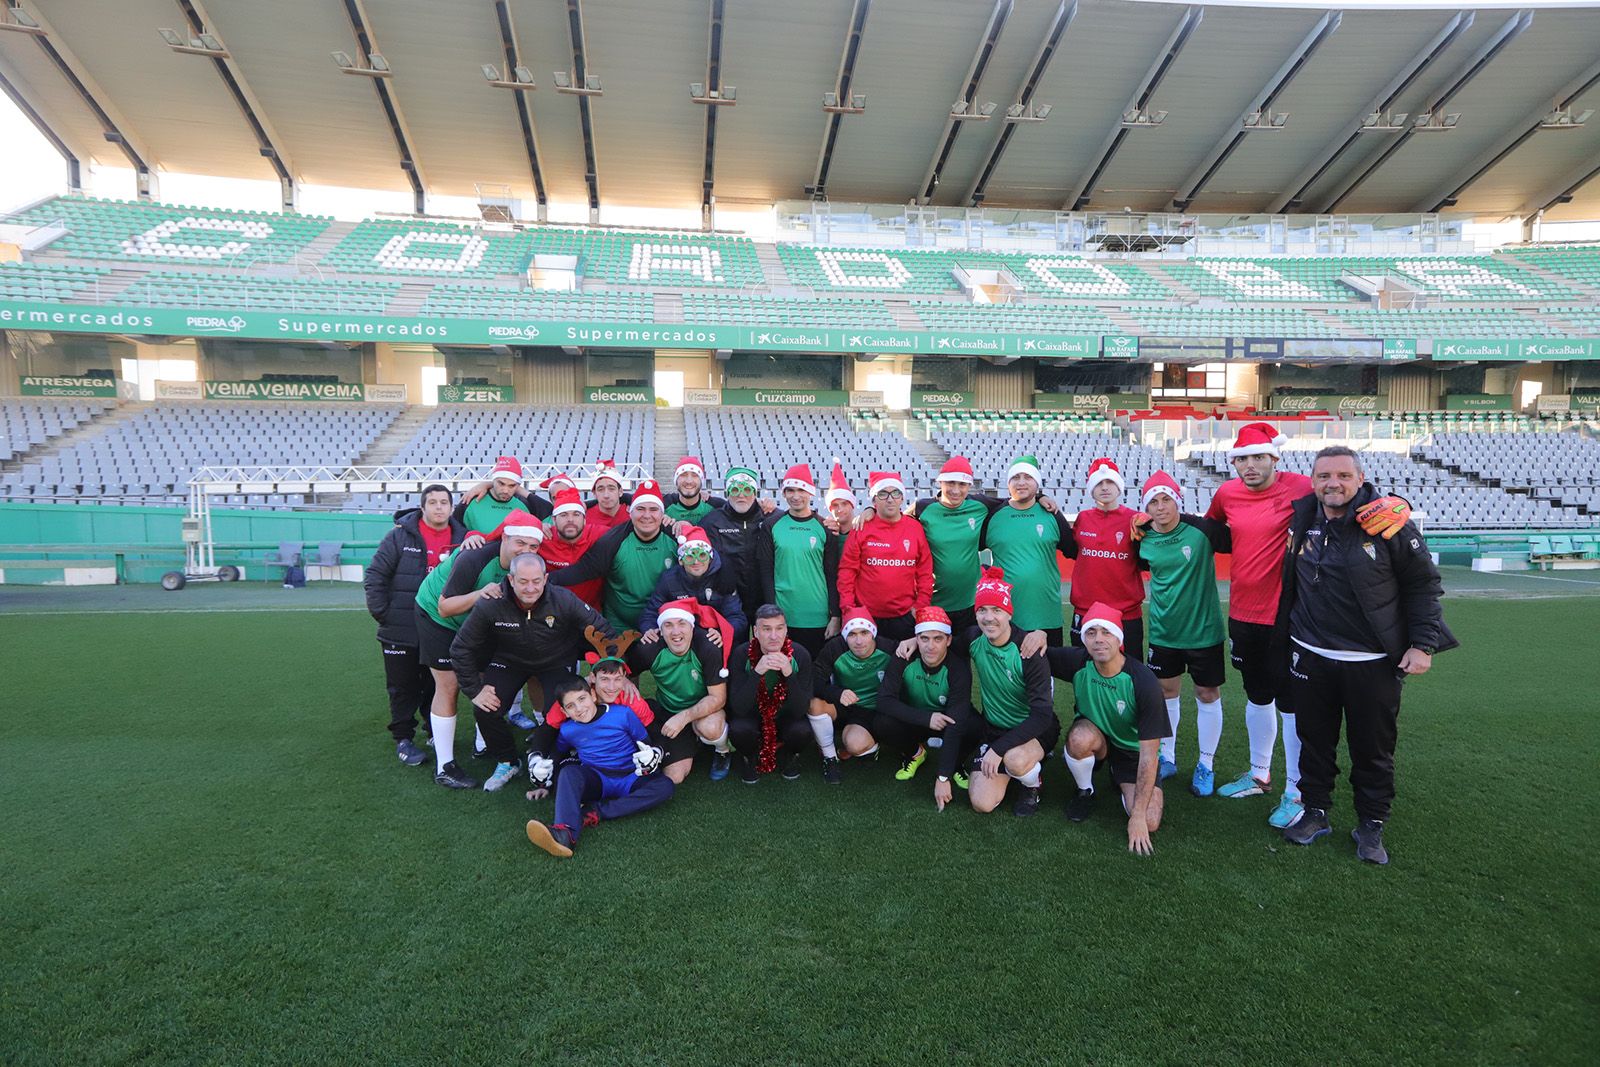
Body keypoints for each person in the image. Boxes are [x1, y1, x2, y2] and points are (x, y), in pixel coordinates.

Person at [1200, 422, 1410, 830]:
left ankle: (1296, 790)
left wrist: (1394, 501)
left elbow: (1353, 496)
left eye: (1258, 457)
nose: (1250, 465)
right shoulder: (1226, 493)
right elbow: (1214, 528)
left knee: (1293, 705)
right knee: (1256, 696)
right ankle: (1259, 773)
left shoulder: (1301, 487)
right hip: (1243, 612)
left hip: (1289, 615)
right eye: (1242, 458)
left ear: (1274, 458)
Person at [1279, 446, 1455, 865]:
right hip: (1310, 654)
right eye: (1324, 476)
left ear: (1360, 479)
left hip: (1372, 661)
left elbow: (1424, 586)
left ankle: (1371, 823)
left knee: (1372, 749)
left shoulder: (1389, 523)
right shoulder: (1304, 516)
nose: (1332, 484)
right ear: (1313, 481)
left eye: (1342, 475)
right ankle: (1316, 812)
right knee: (1314, 743)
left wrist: (1422, 644)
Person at [450, 552, 618, 793]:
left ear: (546, 578)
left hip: (556, 661)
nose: (530, 588)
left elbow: (604, 631)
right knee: (486, 707)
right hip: (509, 660)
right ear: (511, 579)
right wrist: (474, 690)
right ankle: (508, 761)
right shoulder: (491, 603)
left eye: (536, 581)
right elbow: (461, 647)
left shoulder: (563, 599)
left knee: (561, 709)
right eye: (523, 581)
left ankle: (554, 758)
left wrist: (603, 672)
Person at [413, 516, 545, 789]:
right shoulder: (474, 557)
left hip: (477, 622)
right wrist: (480, 594)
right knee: (449, 685)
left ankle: (483, 743)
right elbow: (445, 607)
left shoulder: (526, 567)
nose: (526, 551)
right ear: (505, 538)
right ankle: (445, 766)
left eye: (533, 546)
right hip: (438, 618)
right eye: (520, 542)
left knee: (487, 678)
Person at [1131, 471, 1230, 794]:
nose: (1161, 507)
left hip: (1204, 632)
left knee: (1207, 694)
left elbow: (1238, 536)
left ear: (1178, 500)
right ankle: (1168, 758)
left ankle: (1206, 764)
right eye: (1153, 502)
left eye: (1166, 499)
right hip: (1163, 633)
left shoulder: (1201, 530)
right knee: (1165, 693)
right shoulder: (1143, 539)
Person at [1048, 604, 1170, 855]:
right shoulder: (1079, 661)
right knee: (1079, 738)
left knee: (1149, 820)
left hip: (1132, 753)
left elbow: (1149, 755)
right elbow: (1034, 651)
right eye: (1091, 633)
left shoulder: (1143, 682)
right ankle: (1085, 790)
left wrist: (1136, 816)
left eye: (1106, 632)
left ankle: (1119, 776)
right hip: (1098, 740)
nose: (1099, 639)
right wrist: (1036, 636)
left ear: (1119, 638)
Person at [935, 568, 1056, 817]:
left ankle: (1032, 784)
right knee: (982, 802)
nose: (989, 618)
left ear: (1009, 613)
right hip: (994, 729)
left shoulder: (1028, 649)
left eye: (997, 610)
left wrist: (999, 749)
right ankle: (1015, 768)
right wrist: (915, 641)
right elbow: (942, 646)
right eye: (982, 610)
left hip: (1034, 730)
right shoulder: (973, 638)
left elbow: (1042, 716)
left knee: (1015, 760)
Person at [363, 484, 464, 766]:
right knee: (403, 685)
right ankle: (404, 739)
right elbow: (375, 576)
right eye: (433, 502)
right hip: (401, 626)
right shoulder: (398, 537)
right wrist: (384, 613)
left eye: (444, 502)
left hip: (441, 625)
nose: (439, 507)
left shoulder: (464, 537)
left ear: (451, 507)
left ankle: (433, 729)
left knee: (438, 682)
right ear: (423, 507)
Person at [523, 678, 674, 859]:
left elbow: (646, 742)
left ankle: (595, 811)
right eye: (570, 706)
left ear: (593, 695)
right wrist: (543, 783)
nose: (579, 708)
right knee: (569, 773)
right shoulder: (567, 730)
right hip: (598, 779)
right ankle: (564, 833)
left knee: (665, 786)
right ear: (564, 711)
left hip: (631, 776)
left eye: (582, 699)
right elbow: (557, 754)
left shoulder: (622, 714)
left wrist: (652, 754)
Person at [624, 598, 733, 783]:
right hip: (668, 710)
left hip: (704, 712)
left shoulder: (707, 647)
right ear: (660, 630)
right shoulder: (649, 649)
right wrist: (628, 683)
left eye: (682, 624)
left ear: (692, 627)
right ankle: (693, 743)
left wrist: (683, 718)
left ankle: (722, 751)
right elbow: (628, 670)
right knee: (674, 777)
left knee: (710, 728)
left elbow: (718, 698)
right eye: (668, 625)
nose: (676, 632)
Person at [549, 479, 678, 632]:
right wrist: (545, 579)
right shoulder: (614, 538)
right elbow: (586, 569)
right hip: (617, 622)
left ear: (663, 513)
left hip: (662, 619)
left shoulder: (676, 535)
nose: (646, 515)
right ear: (630, 512)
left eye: (653, 509)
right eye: (641, 509)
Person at [979, 453, 1077, 646]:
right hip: (1004, 615)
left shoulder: (1052, 515)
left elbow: (1074, 551)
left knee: (1046, 673)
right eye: (1015, 477)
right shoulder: (993, 516)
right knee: (1008, 672)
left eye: (1028, 477)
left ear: (1037, 482)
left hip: (1046, 615)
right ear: (1008, 483)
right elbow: (968, 549)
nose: (1021, 483)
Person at [876, 606, 974, 784]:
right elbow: (883, 700)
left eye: (938, 639)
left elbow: (956, 719)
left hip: (946, 719)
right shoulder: (903, 656)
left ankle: (956, 764)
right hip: (916, 719)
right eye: (924, 639)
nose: (931, 646)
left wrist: (943, 776)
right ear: (916, 639)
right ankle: (915, 753)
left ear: (949, 640)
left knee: (974, 725)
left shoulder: (958, 667)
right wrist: (925, 718)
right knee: (883, 722)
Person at [754, 463, 841, 657]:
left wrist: (835, 615)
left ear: (811, 493)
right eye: (790, 490)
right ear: (783, 494)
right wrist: (771, 612)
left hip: (817, 616)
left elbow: (832, 573)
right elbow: (766, 572)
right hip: (784, 615)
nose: (795, 496)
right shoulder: (771, 525)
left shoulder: (825, 527)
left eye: (801, 490)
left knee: (814, 672)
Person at [726, 603, 818, 784]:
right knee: (739, 730)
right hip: (752, 714)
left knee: (802, 731)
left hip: (786, 714)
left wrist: (789, 674)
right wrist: (757, 672)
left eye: (779, 628)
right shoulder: (741, 654)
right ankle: (749, 757)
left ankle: (790, 754)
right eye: (766, 629)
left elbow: (801, 709)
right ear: (756, 631)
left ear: (786, 630)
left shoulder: (800, 655)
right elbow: (738, 707)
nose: (774, 636)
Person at [837, 470, 933, 642]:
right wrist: (848, 608)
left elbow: (925, 571)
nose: (890, 499)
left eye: (895, 493)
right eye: (883, 494)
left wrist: (920, 606)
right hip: (866, 616)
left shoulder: (914, 528)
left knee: (901, 664)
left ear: (902, 498)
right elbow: (847, 571)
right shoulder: (861, 527)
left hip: (904, 616)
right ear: (873, 500)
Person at [808, 607, 901, 784]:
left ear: (873, 633)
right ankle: (830, 757)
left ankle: (871, 745)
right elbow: (814, 679)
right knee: (814, 704)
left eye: (864, 632)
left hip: (873, 711)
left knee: (854, 744)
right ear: (845, 636)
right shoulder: (835, 647)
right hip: (844, 705)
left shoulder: (889, 648)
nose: (858, 641)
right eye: (852, 634)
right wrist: (837, 692)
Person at [1068, 458, 1146, 659]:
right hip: (1086, 612)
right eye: (1098, 484)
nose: (1104, 487)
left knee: (1129, 676)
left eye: (1110, 482)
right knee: (1085, 673)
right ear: (1091, 490)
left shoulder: (1136, 520)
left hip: (1126, 614)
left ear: (1119, 487)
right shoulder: (1083, 518)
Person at [640, 524, 747, 644]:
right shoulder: (669, 579)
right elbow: (651, 612)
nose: (696, 562)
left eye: (702, 555)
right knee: (646, 647)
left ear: (710, 558)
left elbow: (737, 617)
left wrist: (722, 632)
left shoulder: (724, 577)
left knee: (711, 645)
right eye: (690, 557)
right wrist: (650, 629)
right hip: (677, 635)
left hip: (712, 636)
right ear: (681, 560)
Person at [702, 465, 766, 619]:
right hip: (728, 596)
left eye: (747, 490)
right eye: (735, 490)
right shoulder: (712, 521)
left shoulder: (769, 519)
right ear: (727, 493)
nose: (741, 495)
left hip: (763, 594)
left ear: (755, 493)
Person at [538, 486, 605, 611]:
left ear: (585, 520)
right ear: (554, 519)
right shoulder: (542, 538)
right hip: (551, 613)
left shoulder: (599, 534)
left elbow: (631, 527)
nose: (570, 519)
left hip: (591, 614)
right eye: (563, 515)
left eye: (576, 514)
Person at [454, 455, 538, 533]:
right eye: (501, 483)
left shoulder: (525, 505)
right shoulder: (469, 501)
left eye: (512, 486)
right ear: (493, 481)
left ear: (518, 486)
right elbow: (454, 531)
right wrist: (469, 536)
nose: (505, 490)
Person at [662, 455, 725, 525]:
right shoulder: (663, 504)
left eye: (695, 475)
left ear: (701, 481)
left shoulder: (718, 506)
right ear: (676, 480)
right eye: (683, 474)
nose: (689, 481)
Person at [585, 460, 631, 533]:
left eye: (611, 488)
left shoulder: (633, 515)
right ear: (594, 493)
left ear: (620, 491)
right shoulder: (584, 518)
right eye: (600, 489)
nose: (606, 495)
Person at [824, 460, 856, 530]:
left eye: (844, 504)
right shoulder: (825, 534)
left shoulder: (865, 532)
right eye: (835, 505)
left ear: (852, 505)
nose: (840, 509)